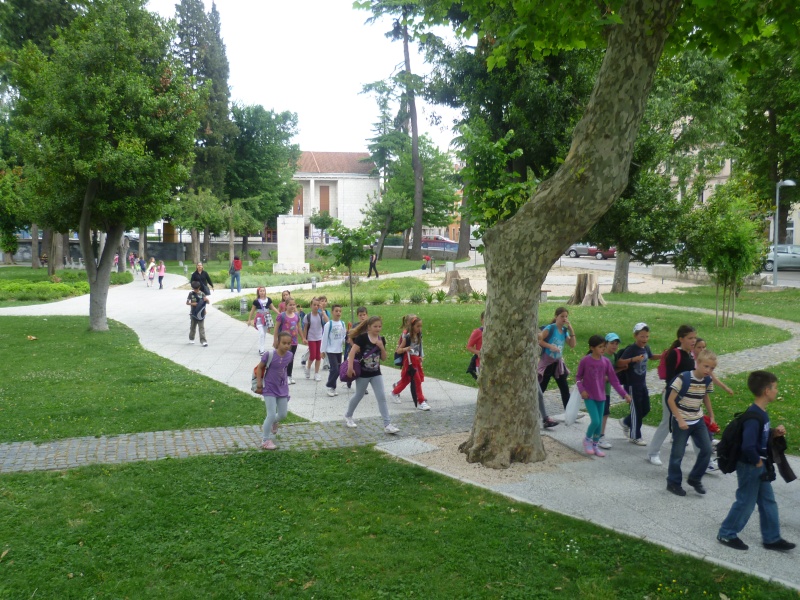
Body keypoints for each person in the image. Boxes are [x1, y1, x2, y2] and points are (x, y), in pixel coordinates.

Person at [717, 370, 795, 552]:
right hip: (751, 466)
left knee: (768, 501)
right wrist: (757, 462)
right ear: (767, 391)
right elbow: (748, 445)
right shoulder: (754, 417)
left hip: (759, 465)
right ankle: (726, 533)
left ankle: (772, 538)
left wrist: (774, 433)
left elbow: (759, 437)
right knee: (746, 501)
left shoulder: (761, 413)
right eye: (775, 388)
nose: (777, 391)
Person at [665, 349, 716, 496]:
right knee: (677, 454)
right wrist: (680, 419)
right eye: (706, 366)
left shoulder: (707, 380)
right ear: (698, 363)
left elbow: (705, 397)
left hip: (697, 420)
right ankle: (673, 483)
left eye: (712, 368)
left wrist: (711, 415)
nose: (708, 370)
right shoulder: (683, 378)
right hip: (682, 421)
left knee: (707, 449)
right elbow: (670, 400)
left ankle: (695, 478)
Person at [646, 325, 697, 466]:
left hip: (687, 396)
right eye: (690, 338)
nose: (693, 341)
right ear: (681, 339)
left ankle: (704, 460)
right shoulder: (675, 354)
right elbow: (670, 378)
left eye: (694, 338)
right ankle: (653, 453)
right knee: (666, 424)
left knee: (695, 424)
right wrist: (676, 392)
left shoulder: (690, 354)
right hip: (673, 396)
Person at [576, 335, 631, 456]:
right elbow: (578, 377)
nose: (603, 349)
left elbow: (614, 380)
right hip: (589, 396)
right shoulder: (585, 361)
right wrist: (582, 390)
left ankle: (595, 445)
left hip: (601, 396)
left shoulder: (606, 362)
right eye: (600, 347)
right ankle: (587, 440)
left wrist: (624, 394)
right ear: (592, 348)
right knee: (595, 421)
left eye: (604, 347)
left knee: (599, 423)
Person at [343, 315, 399, 434]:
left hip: (376, 373)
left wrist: (381, 347)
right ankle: (348, 415)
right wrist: (350, 368)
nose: (378, 329)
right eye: (375, 326)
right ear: (369, 327)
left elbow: (383, 358)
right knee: (359, 395)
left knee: (381, 397)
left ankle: (387, 424)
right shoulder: (362, 338)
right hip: (363, 373)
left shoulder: (381, 339)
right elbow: (352, 352)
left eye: (379, 326)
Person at [617, 323, 659, 445]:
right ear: (635, 336)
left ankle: (626, 422)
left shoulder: (646, 348)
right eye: (642, 336)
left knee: (646, 408)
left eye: (647, 336)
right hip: (632, 385)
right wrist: (633, 359)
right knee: (636, 410)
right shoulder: (631, 349)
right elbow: (619, 362)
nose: (645, 339)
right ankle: (635, 436)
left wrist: (663, 356)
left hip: (642, 383)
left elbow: (651, 356)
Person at [254, 331, 294, 450]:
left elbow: (284, 369)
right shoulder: (269, 354)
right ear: (278, 342)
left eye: (289, 343)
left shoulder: (290, 356)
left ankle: (274, 422)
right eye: (283, 343)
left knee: (282, 414)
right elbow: (260, 368)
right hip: (269, 388)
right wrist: (259, 383)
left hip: (282, 388)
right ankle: (265, 440)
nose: (286, 346)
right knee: (271, 414)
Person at [538, 307, 576, 409]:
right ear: (556, 317)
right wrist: (550, 346)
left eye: (566, 316)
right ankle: (535, 409)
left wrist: (571, 330)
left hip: (558, 364)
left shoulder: (564, 331)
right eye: (562, 316)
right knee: (541, 388)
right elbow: (539, 340)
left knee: (564, 388)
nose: (564, 319)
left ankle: (569, 412)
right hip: (547, 363)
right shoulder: (550, 328)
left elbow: (572, 344)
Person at [391, 316, 429, 410]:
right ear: (412, 326)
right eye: (417, 326)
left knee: (406, 380)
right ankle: (421, 401)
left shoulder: (419, 336)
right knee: (417, 381)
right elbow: (399, 350)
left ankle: (395, 392)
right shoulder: (407, 337)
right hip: (409, 361)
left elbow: (418, 348)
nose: (419, 328)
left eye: (421, 326)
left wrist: (420, 357)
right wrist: (406, 349)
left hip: (416, 360)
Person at [597, 332, 625, 448]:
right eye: (612, 343)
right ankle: (599, 437)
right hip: (598, 390)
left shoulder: (614, 356)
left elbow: (611, 373)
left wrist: (620, 369)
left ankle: (598, 436)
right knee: (602, 414)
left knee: (604, 414)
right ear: (606, 344)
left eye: (616, 344)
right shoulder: (602, 357)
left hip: (606, 390)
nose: (614, 346)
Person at [273, 299, 305, 384]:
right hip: (284, 342)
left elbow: (299, 327)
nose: (292, 306)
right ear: (286, 306)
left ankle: (289, 376)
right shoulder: (282, 316)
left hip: (293, 341)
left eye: (294, 305)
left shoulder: (296, 315)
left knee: (291, 358)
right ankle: (282, 375)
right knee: (284, 358)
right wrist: (275, 340)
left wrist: (303, 338)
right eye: (290, 305)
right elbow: (276, 329)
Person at [322, 304, 347, 397]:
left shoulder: (342, 323)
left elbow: (344, 336)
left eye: (340, 311)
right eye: (336, 311)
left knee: (338, 369)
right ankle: (329, 385)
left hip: (339, 350)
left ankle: (333, 387)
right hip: (330, 350)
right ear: (332, 312)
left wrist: (347, 340)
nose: (338, 313)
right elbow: (324, 338)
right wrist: (322, 351)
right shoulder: (329, 324)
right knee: (335, 369)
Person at [344, 307, 369, 394]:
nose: (362, 317)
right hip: (356, 351)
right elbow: (350, 338)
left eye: (364, 315)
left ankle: (363, 387)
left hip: (365, 352)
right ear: (357, 316)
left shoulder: (369, 326)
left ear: (367, 315)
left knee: (364, 370)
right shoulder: (355, 326)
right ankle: (349, 379)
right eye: (360, 315)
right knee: (355, 367)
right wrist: (354, 346)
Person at [247, 287, 279, 355]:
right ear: (258, 292)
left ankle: (261, 348)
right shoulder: (256, 301)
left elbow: (272, 307)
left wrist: (279, 313)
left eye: (263, 291)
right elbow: (252, 310)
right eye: (260, 291)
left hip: (266, 318)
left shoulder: (268, 300)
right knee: (261, 333)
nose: (262, 292)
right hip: (259, 319)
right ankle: (261, 350)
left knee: (264, 334)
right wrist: (249, 320)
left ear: (265, 291)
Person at [303, 298, 329, 381]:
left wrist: (323, 311)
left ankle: (316, 373)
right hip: (311, 338)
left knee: (318, 356)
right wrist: (304, 338)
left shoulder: (321, 315)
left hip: (319, 338)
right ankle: (308, 368)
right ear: (311, 305)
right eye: (314, 305)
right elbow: (305, 328)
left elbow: (328, 321)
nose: (316, 307)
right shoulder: (307, 316)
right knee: (313, 355)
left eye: (318, 305)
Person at [186, 280, 209, 347]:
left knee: (201, 327)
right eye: (194, 289)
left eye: (196, 289)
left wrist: (207, 300)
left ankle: (203, 341)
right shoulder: (191, 294)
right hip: (193, 313)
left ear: (199, 287)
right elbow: (187, 302)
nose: (195, 290)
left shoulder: (202, 294)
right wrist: (192, 304)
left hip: (201, 313)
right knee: (193, 327)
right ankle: (191, 338)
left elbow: (207, 302)